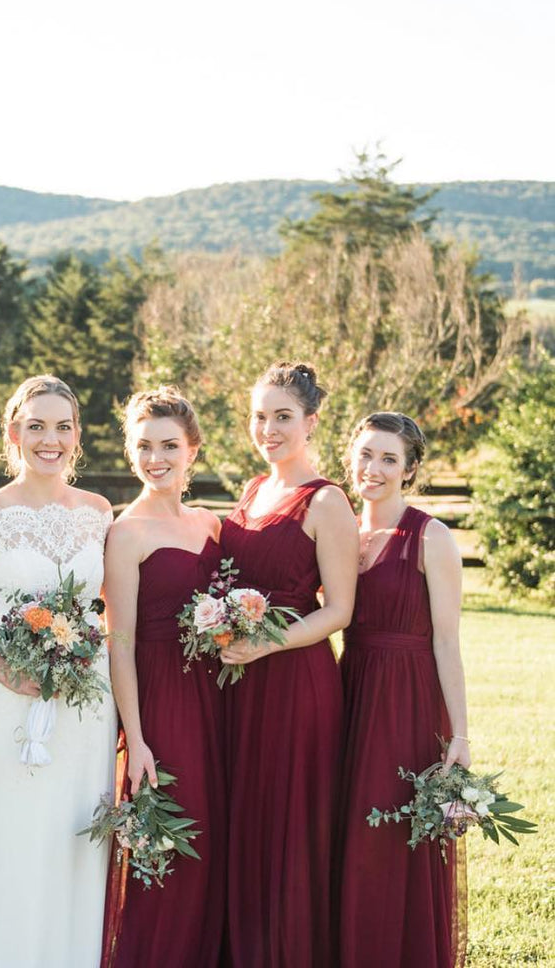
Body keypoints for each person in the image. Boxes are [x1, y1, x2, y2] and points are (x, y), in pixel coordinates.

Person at [0, 374, 116, 968]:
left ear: (77, 437)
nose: (50, 439)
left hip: (87, 708)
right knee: (10, 842)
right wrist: (1, 669)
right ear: (14, 433)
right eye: (36, 426)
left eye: (63, 427)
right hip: (15, 705)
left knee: (75, 844)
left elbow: (109, 609)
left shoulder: (99, 512)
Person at [218, 361, 358, 967]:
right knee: (246, 818)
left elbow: (340, 611)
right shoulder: (253, 489)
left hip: (296, 680)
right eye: (260, 416)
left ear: (311, 422)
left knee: (288, 823)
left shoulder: (326, 502)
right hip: (240, 681)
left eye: (282, 417)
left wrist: (267, 644)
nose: (268, 429)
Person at [337, 412, 469, 968]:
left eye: (389, 458)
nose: (373, 468)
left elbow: (446, 641)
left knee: (389, 837)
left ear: (410, 469)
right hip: (349, 691)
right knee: (348, 834)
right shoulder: (343, 531)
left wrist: (460, 734)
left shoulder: (431, 537)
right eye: (366, 454)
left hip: (406, 703)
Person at [103, 387, 227, 966]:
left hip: (220, 698)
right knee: (172, 836)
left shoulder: (212, 524)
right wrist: (139, 738)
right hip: (163, 702)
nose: (157, 458)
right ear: (130, 452)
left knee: (215, 832)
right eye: (144, 446)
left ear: (192, 450)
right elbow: (119, 643)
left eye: (170, 445)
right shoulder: (126, 532)